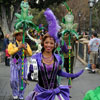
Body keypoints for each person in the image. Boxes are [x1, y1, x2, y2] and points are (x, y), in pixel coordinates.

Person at [25, 33, 84, 100]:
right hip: (41, 94)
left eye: (51, 43)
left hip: (55, 93)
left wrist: (73, 75)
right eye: (46, 42)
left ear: (55, 45)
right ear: (43, 43)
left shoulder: (58, 58)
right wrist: (30, 73)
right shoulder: (36, 57)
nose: (49, 45)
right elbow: (31, 77)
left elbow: (59, 72)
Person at [8, 29, 32, 100]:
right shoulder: (11, 44)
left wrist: (26, 48)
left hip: (23, 63)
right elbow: (10, 52)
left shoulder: (26, 44)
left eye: (21, 34)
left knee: (23, 80)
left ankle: (21, 94)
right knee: (13, 80)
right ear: (16, 36)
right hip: (14, 63)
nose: (20, 36)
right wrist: (18, 47)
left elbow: (30, 53)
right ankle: (15, 93)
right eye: (18, 34)